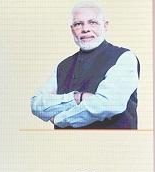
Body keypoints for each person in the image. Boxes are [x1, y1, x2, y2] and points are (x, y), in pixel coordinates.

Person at [30, 1, 139, 129]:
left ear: (105, 25)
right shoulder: (63, 66)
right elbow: (36, 104)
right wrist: (77, 98)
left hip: (112, 145)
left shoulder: (124, 57)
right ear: (72, 30)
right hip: (66, 146)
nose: (85, 29)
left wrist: (60, 119)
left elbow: (108, 104)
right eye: (78, 24)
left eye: (92, 22)